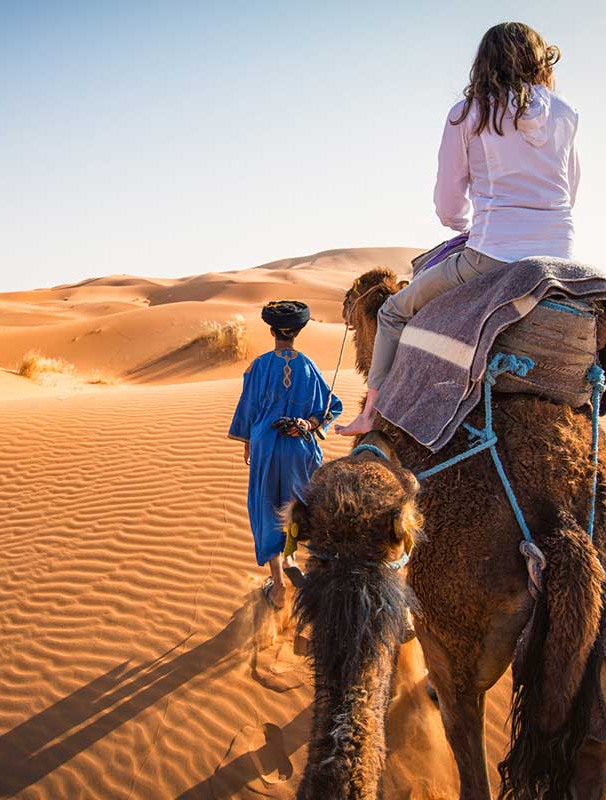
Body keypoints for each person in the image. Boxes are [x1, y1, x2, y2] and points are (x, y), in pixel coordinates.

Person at [338, 21, 578, 436]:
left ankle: (371, 414)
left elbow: (448, 202)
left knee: (395, 311)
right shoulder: (564, 114)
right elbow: (569, 190)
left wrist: (464, 225)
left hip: (493, 253)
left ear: (484, 64)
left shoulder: (468, 114)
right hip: (560, 256)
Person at [229, 301, 342, 609]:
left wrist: (248, 443)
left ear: (272, 331)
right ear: (299, 332)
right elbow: (333, 406)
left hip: (266, 446)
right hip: (300, 446)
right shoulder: (309, 366)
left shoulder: (258, 366)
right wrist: (309, 423)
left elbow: (248, 410)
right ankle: (298, 563)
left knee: (266, 506)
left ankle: (278, 584)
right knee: (298, 508)